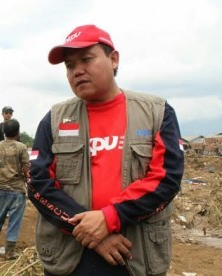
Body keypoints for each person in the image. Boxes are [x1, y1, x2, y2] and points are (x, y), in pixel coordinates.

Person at [27, 24, 184, 276]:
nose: (77, 71)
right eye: (69, 65)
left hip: (136, 255)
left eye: (87, 59)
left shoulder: (157, 113)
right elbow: (38, 184)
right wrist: (91, 231)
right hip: (70, 256)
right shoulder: (55, 120)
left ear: (113, 59)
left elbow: (166, 179)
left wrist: (110, 217)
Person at [0, 119, 29, 260]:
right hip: (17, 189)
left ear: (3, 132)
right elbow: (27, 170)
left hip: (1, 189)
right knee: (14, 221)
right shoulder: (22, 147)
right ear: (18, 132)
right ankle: (9, 253)